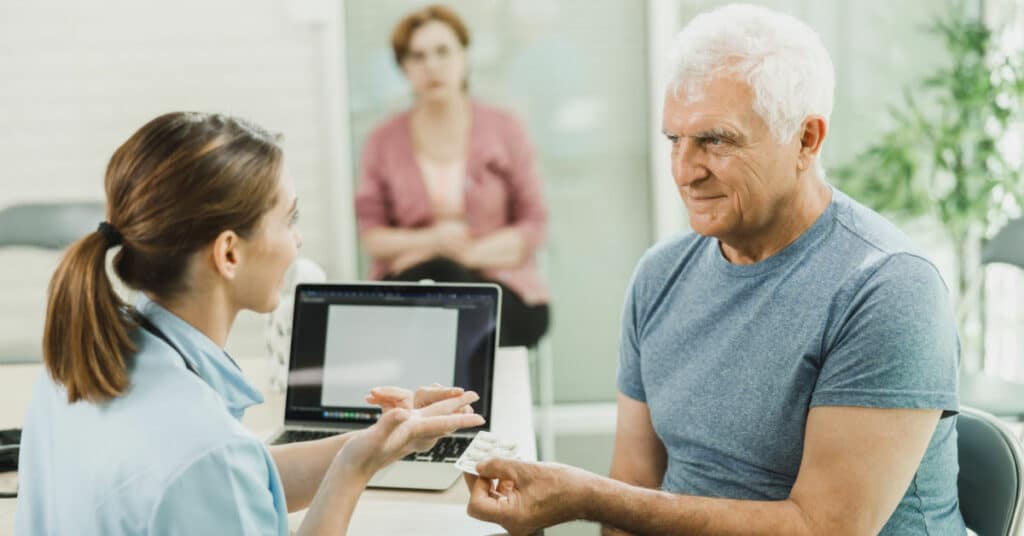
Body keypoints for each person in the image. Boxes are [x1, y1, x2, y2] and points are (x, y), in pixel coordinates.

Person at [461, 5, 965, 535]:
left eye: (716, 141)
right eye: (675, 140)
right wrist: (595, 502)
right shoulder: (660, 277)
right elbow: (631, 488)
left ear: (806, 140)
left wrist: (587, 497)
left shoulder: (888, 288)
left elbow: (825, 528)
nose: (684, 171)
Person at [14, 112, 484, 535]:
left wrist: (377, 446)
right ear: (230, 253)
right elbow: (215, 471)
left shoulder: (78, 364)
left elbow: (240, 478)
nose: (297, 241)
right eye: (288, 218)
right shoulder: (205, 449)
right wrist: (351, 473)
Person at [355, 4, 550, 348]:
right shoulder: (382, 140)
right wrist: (435, 242)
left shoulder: (506, 128)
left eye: (443, 52)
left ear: (465, 56)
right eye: (417, 56)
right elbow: (373, 235)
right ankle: (472, 399)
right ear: (403, 67)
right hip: (416, 285)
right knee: (442, 283)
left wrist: (468, 254)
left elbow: (534, 223)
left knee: (458, 291)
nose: (431, 66)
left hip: (503, 287)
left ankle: (443, 397)